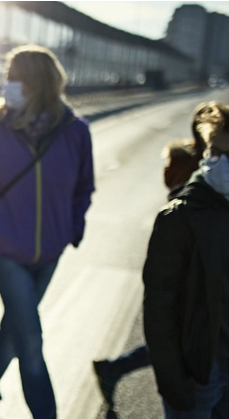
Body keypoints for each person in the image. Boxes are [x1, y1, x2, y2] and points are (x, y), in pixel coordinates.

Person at [0, 44, 95, 419]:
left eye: (16, 77)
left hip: (49, 254)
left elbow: (84, 186)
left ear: (39, 83)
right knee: (31, 340)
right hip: (5, 252)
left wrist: (72, 227)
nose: (8, 85)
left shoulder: (75, 133)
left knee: (14, 330)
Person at [93, 105, 208, 409]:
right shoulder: (197, 171)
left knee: (178, 336)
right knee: (179, 337)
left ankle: (113, 367)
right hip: (191, 269)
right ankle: (114, 367)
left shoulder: (196, 163)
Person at [143, 100, 229, 418]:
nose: (221, 162)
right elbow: (158, 311)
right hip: (198, 378)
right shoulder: (179, 219)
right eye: (216, 152)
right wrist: (172, 383)